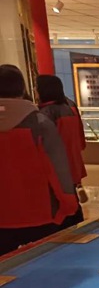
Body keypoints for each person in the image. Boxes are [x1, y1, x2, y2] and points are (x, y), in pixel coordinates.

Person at [0, 65, 78, 256]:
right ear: (22, 89)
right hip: (41, 212)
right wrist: (68, 204)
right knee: (44, 261)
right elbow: (57, 168)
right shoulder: (40, 123)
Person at [36, 75, 87, 223]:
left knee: (60, 208)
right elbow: (80, 137)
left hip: (57, 167)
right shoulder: (69, 109)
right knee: (73, 204)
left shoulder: (45, 115)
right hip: (72, 163)